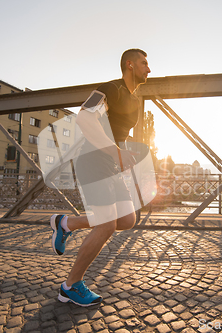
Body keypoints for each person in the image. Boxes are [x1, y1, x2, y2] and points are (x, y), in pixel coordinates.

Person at [49, 49, 151, 307]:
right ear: (129, 65)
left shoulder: (135, 99)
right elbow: (84, 117)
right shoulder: (111, 89)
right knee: (106, 225)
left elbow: (119, 132)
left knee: (127, 219)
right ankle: (70, 286)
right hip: (94, 160)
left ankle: (66, 224)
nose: (148, 69)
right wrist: (114, 152)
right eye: (144, 63)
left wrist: (123, 156)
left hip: (111, 163)